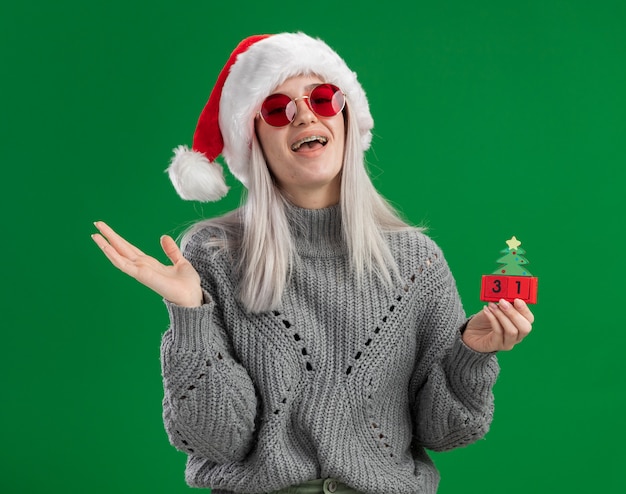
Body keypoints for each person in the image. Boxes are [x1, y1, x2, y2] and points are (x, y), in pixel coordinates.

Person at [92, 32, 534, 494]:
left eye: (322, 99)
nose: (304, 113)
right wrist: (190, 314)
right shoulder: (214, 256)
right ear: (254, 141)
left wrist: (473, 352)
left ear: (345, 120)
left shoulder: (416, 264)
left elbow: (445, 432)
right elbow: (216, 440)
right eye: (277, 108)